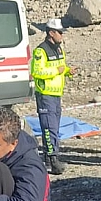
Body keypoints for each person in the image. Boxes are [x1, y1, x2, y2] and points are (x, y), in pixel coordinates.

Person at [31, 18, 74, 175]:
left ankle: (49, 160)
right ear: (51, 33)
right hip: (45, 95)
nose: (62, 35)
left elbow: (60, 67)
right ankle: (53, 160)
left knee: (53, 128)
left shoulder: (58, 49)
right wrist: (58, 71)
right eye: (60, 32)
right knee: (50, 129)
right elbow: (37, 72)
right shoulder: (40, 51)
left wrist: (68, 71)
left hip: (56, 95)